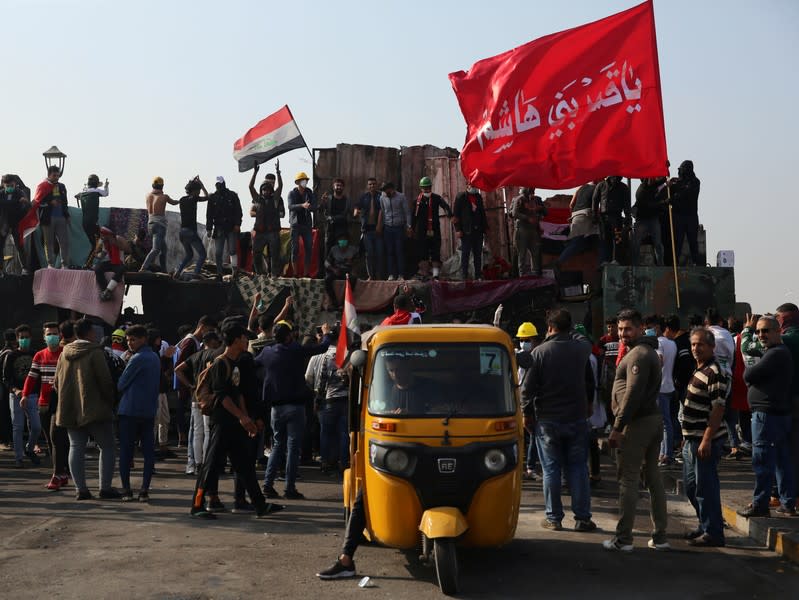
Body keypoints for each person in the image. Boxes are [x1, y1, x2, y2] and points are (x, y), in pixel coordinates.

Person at [190, 322, 284, 519]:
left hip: (234, 423)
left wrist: (246, 418)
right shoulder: (220, 363)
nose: (246, 341)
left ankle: (260, 505)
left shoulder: (235, 363)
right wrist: (242, 417)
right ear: (234, 340)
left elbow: (237, 393)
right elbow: (223, 396)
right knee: (211, 464)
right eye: (243, 338)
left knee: (244, 466)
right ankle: (197, 506)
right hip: (222, 423)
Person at [521, 309, 596, 532]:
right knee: (578, 468)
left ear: (550, 327)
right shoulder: (581, 349)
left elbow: (527, 389)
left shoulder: (539, 352)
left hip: (547, 420)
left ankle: (554, 518)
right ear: (569, 327)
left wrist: (526, 414)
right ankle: (582, 518)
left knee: (551, 469)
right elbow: (584, 339)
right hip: (576, 418)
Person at [603, 309, 668, 552]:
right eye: (620, 329)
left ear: (641, 328)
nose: (622, 334)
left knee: (628, 480)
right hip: (650, 421)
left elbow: (632, 393)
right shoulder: (643, 351)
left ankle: (624, 539)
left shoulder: (639, 355)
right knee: (653, 478)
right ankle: (660, 537)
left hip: (638, 424)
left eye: (627, 329)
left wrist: (618, 427)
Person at [257, 321, 332, 500]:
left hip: (276, 408)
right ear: (289, 336)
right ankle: (289, 487)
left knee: (277, 446)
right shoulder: (296, 350)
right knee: (292, 449)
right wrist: (326, 333)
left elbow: (254, 362)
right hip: (295, 407)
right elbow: (323, 347)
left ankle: (268, 484)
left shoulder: (267, 352)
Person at [54, 318, 120, 500]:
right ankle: (105, 488)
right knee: (107, 447)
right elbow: (105, 382)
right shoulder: (95, 352)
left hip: (70, 410)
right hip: (96, 410)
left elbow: (56, 383)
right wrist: (111, 402)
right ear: (90, 333)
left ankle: (81, 490)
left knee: (75, 447)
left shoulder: (63, 353)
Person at [737, 316, 795, 517]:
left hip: (767, 417)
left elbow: (748, 375)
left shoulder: (776, 354)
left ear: (777, 331)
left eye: (766, 331)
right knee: (780, 460)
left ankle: (760, 504)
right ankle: (787, 502)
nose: (761, 335)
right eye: (759, 331)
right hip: (774, 415)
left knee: (762, 460)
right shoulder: (777, 353)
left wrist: (751, 377)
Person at [681, 327, 729, 547]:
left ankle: (713, 532)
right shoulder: (699, 369)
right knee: (691, 487)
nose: (695, 348)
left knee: (705, 488)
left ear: (711, 347)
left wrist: (707, 439)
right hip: (691, 439)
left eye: (700, 344)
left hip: (704, 441)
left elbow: (718, 409)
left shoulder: (714, 373)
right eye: (693, 344)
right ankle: (704, 523)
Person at [117, 325, 161, 502]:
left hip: (130, 410)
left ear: (143, 339)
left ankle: (126, 490)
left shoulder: (137, 359)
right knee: (148, 451)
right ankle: (144, 489)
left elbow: (121, 384)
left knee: (126, 451)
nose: (130, 343)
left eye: (133, 340)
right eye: (128, 340)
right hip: (149, 411)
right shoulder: (154, 357)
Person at [21, 323, 64, 488]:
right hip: (44, 403)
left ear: (60, 335)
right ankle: (61, 472)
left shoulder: (64, 354)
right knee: (50, 439)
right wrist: (25, 395)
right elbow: (31, 378)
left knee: (57, 437)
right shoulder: (39, 355)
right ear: (44, 337)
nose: (51, 336)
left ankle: (58, 474)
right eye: (49, 334)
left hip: (62, 403)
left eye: (54, 333)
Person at [175, 315, 218, 464]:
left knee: (197, 431)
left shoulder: (195, 353)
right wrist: (188, 385)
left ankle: (195, 463)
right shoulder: (213, 354)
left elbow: (178, 369)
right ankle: (204, 462)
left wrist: (191, 386)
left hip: (195, 396)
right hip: (206, 397)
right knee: (206, 431)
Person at [306, 335, 349, 474]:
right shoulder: (347, 355)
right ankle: (343, 462)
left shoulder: (321, 357)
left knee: (326, 433)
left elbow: (314, 379)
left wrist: (317, 398)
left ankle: (325, 462)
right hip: (345, 399)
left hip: (328, 399)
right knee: (343, 433)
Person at [644, 315, 677, 465]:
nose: (647, 330)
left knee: (664, 423)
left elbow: (659, 361)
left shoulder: (658, 343)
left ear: (657, 328)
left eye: (650, 327)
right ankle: (665, 452)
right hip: (669, 386)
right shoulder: (672, 343)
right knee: (667, 421)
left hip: (660, 386)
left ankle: (666, 454)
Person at [5, 324, 38, 467]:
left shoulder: (35, 355)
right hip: (16, 395)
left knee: (36, 426)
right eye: (21, 338)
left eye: (26, 337)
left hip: (32, 395)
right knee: (17, 427)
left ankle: (29, 448)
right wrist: (15, 390)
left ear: (31, 338)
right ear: (17, 340)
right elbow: (5, 378)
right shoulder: (11, 356)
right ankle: (19, 457)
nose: (24, 340)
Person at [774, 303, 799, 494]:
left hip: (790, 401)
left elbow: (754, 348)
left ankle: (789, 493)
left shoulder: (787, 339)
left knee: (787, 451)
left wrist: (748, 332)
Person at [664, 314, 694, 453]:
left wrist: (679, 381)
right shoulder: (687, 339)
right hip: (686, 384)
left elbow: (686, 363)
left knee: (679, 416)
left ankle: (679, 443)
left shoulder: (680, 342)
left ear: (669, 329)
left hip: (683, 385)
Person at [411, 177, 451, 280]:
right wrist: (411, 228)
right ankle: (424, 273)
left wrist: (450, 214)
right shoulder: (417, 202)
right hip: (422, 232)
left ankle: (435, 274)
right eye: (425, 188)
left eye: (428, 188)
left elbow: (445, 206)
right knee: (423, 253)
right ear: (421, 188)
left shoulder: (436, 198)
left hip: (435, 230)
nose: (427, 190)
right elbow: (413, 217)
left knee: (435, 252)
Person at [554, 181, 599, 271]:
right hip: (586, 216)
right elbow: (597, 206)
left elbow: (571, 204)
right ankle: (559, 262)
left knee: (583, 241)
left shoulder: (580, 188)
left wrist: (572, 216)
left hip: (575, 216)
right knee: (578, 241)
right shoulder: (597, 188)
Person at [249, 164, 285, 277]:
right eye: (264, 189)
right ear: (261, 190)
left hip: (272, 232)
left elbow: (281, 186)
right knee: (256, 253)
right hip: (260, 232)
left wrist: (278, 173)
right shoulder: (258, 200)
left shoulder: (275, 199)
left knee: (275, 255)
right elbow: (250, 186)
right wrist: (255, 172)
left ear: (271, 191)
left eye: (268, 189)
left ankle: (274, 274)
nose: (266, 191)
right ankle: (260, 273)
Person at [516, 322, 540, 480]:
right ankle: (521, 467)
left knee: (533, 436)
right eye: (521, 339)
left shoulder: (538, 357)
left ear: (534, 340)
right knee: (519, 437)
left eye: (527, 339)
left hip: (530, 404)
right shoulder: (516, 356)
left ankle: (530, 467)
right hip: (516, 404)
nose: (524, 343)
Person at [207, 177, 243, 280]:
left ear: (224, 184)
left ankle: (234, 271)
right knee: (218, 252)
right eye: (217, 185)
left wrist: (237, 224)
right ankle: (219, 273)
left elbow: (238, 211)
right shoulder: (213, 198)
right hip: (219, 228)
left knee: (232, 250)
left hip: (231, 227)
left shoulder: (232, 195)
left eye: (220, 184)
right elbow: (209, 214)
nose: (218, 186)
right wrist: (209, 228)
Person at [140, 177, 179, 273]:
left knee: (164, 250)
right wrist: (181, 200)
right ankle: (143, 268)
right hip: (159, 225)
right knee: (156, 249)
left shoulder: (148, 195)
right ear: (162, 186)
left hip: (150, 224)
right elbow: (174, 203)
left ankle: (164, 270)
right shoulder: (164, 197)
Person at [452, 184, 489, 281]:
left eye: (476, 185)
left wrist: (485, 227)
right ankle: (464, 275)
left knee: (478, 254)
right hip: (466, 231)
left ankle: (478, 275)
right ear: (467, 185)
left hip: (478, 231)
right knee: (466, 254)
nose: (475, 187)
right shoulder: (461, 197)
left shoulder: (478, 197)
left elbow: (482, 213)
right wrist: (458, 229)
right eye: (473, 185)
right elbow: (455, 215)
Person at [38, 165, 72, 268]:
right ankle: (50, 264)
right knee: (49, 242)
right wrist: (49, 202)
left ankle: (64, 265)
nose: (56, 177)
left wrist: (67, 215)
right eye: (54, 175)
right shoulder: (42, 186)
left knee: (64, 242)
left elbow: (65, 202)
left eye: (58, 175)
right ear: (49, 175)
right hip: (48, 218)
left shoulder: (61, 186)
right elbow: (38, 201)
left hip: (61, 217)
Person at [592, 176, 630, 265]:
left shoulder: (623, 187)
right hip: (603, 217)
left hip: (616, 217)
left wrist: (628, 216)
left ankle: (616, 260)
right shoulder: (601, 185)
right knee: (605, 239)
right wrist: (594, 214)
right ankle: (605, 260)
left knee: (618, 239)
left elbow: (626, 203)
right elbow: (595, 200)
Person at [176, 177, 209, 279]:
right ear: (194, 191)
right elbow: (207, 197)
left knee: (189, 254)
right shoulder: (194, 199)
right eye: (198, 191)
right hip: (190, 232)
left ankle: (178, 271)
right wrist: (202, 185)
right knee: (203, 255)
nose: (199, 192)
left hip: (182, 232)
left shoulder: (182, 200)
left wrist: (193, 183)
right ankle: (195, 273)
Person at [669, 160, 701, 266]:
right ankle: (675, 263)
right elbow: (670, 190)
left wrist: (675, 194)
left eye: (682, 169)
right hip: (678, 216)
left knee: (693, 242)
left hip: (691, 217)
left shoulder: (695, 182)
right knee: (677, 241)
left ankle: (696, 263)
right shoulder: (676, 182)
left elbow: (687, 192)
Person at [510, 187, 547, 276]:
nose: (532, 191)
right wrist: (527, 218)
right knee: (521, 254)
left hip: (533, 229)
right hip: (522, 229)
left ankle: (535, 275)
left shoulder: (536, 199)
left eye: (533, 190)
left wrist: (539, 208)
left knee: (535, 253)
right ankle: (522, 275)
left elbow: (545, 212)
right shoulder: (519, 199)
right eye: (530, 189)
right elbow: (514, 213)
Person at [378, 182, 410, 281]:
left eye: (386, 190)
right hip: (387, 228)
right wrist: (380, 226)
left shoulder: (401, 197)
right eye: (383, 191)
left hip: (399, 228)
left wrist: (409, 226)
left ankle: (401, 275)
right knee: (389, 252)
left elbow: (407, 212)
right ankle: (391, 274)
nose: (385, 192)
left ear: (391, 189)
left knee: (399, 251)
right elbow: (383, 212)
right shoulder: (382, 198)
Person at [287, 172, 317, 277]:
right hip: (295, 225)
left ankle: (306, 273)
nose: (305, 182)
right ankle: (295, 273)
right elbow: (290, 206)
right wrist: (302, 205)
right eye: (303, 180)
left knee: (309, 248)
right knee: (295, 249)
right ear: (298, 182)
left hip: (306, 225)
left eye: (306, 180)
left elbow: (314, 207)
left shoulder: (309, 193)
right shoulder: (292, 193)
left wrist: (309, 207)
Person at [631, 178, 667, 266]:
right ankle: (635, 265)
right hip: (642, 220)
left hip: (653, 219)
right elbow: (649, 205)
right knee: (636, 243)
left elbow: (661, 181)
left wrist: (665, 170)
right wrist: (663, 202)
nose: (653, 179)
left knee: (658, 244)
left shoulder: (651, 186)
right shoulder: (641, 191)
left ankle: (660, 265)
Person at [0, 174, 30, 275]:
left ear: (15, 185)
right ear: (3, 185)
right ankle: (1, 269)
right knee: (1, 246)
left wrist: (25, 202)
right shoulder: (1, 194)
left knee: (19, 245)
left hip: (16, 222)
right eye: (7, 185)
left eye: (11, 186)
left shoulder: (19, 192)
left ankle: (25, 268)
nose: (9, 188)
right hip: (4, 223)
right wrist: (15, 202)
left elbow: (27, 205)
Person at [354, 177, 383, 280]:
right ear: (367, 186)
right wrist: (356, 211)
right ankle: (370, 275)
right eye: (370, 184)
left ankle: (379, 275)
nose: (372, 186)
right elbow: (357, 206)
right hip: (367, 230)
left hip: (378, 230)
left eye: (374, 184)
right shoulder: (364, 197)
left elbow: (383, 210)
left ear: (377, 185)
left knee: (379, 254)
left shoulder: (381, 196)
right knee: (369, 254)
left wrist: (380, 225)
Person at [94, 227, 130, 301]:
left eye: (103, 234)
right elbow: (102, 254)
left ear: (107, 234)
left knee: (121, 269)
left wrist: (116, 243)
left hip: (118, 262)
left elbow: (128, 250)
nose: (101, 236)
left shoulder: (118, 238)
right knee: (98, 268)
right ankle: (104, 291)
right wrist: (97, 255)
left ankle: (108, 290)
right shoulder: (105, 242)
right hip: (111, 262)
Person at [324, 233, 358, 309]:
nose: (343, 242)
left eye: (345, 240)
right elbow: (326, 262)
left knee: (353, 279)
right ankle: (334, 302)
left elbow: (357, 261)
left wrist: (352, 265)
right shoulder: (333, 249)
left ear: (348, 241)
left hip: (347, 270)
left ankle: (344, 303)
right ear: (338, 241)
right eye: (341, 240)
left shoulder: (353, 250)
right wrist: (333, 269)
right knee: (327, 280)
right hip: (336, 270)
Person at [75, 174, 109, 248]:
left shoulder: (83, 193)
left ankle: (93, 256)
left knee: (94, 244)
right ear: (96, 184)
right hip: (93, 222)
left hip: (85, 223)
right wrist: (106, 186)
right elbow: (106, 193)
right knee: (100, 243)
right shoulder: (96, 191)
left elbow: (76, 196)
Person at [320, 178, 353, 254]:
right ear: (333, 186)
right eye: (337, 185)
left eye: (341, 186)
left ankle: (340, 265)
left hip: (343, 229)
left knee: (343, 249)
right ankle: (327, 265)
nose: (339, 187)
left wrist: (356, 213)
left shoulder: (347, 200)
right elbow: (321, 211)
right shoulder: (328, 199)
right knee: (328, 249)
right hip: (330, 228)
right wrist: (323, 202)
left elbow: (352, 214)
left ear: (343, 187)